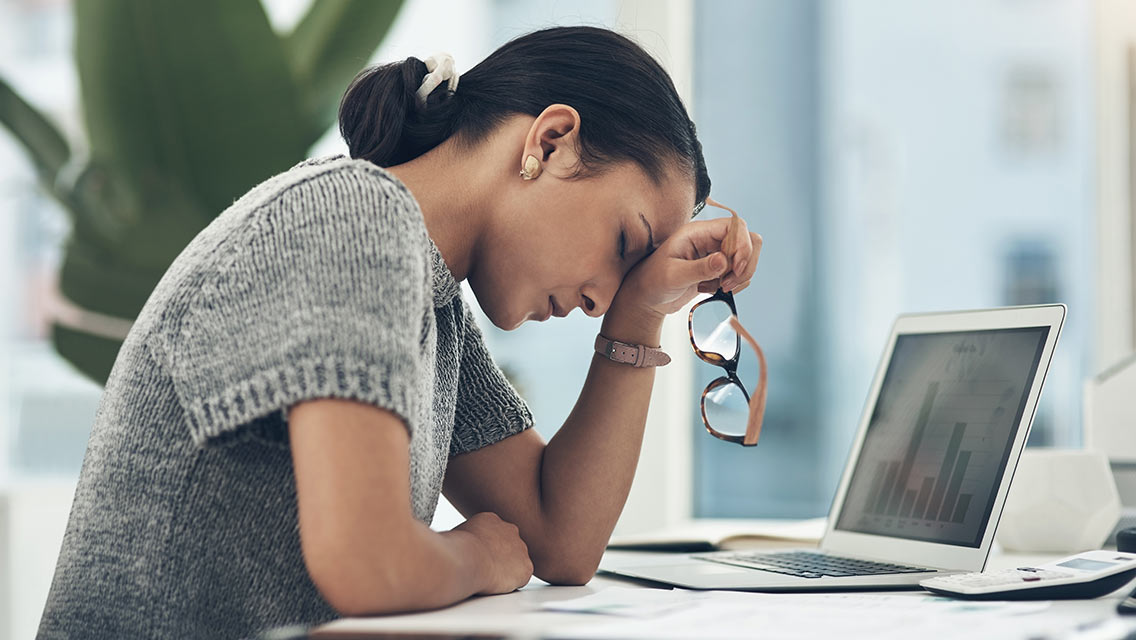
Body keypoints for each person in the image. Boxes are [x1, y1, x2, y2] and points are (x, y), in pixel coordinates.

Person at [37, 26, 760, 638]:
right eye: (624, 244)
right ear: (553, 139)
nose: (605, 297)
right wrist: (475, 555)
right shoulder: (353, 219)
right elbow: (367, 565)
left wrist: (643, 313)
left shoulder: (434, 301)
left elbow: (558, 539)